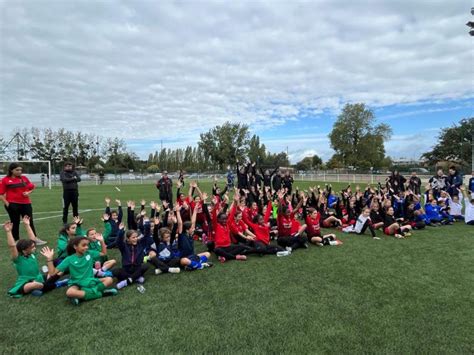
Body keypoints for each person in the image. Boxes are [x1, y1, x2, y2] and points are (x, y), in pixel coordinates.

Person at [43, 235, 117, 305]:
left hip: (90, 281)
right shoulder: (69, 259)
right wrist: (49, 259)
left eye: (87, 245)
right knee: (69, 292)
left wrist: (102, 241)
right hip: (77, 284)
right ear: (75, 246)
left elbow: (104, 253)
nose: (86, 247)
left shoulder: (89, 253)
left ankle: (82, 297)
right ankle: (101, 293)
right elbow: (52, 273)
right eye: (83, 245)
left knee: (109, 279)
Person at [5, 217, 67, 298]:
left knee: (59, 272)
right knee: (34, 285)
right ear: (24, 250)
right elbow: (12, 246)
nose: (34, 248)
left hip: (38, 278)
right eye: (32, 247)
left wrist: (27, 225)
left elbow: (33, 239)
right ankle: (57, 284)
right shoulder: (18, 259)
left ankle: (41, 288)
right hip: (26, 282)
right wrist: (9, 232)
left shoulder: (32, 254)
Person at [0, 163, 46, 244]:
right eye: (17, 170)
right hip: (12, 204)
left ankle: (34, 239)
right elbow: (1, 194)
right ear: (11, 170)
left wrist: (28, 192)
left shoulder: (24, 178)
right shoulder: (5, 180)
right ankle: (16, 240)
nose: (19, 171)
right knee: (15, 222)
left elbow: (32, 187)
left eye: (20, 170)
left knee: (29, 221)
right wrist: (8, 204)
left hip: (26, 203)